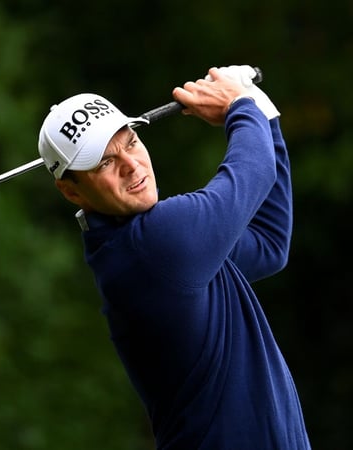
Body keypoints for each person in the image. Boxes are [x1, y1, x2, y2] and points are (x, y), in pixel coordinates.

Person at [37, 65, 310, 449]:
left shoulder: (155, 248)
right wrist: (240, 103)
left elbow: (268, 242)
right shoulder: (158, 243)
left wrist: (260, 109)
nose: (131, 166)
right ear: (72, 192)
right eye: (104, 163)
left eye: (130, 142)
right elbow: (255, 169)